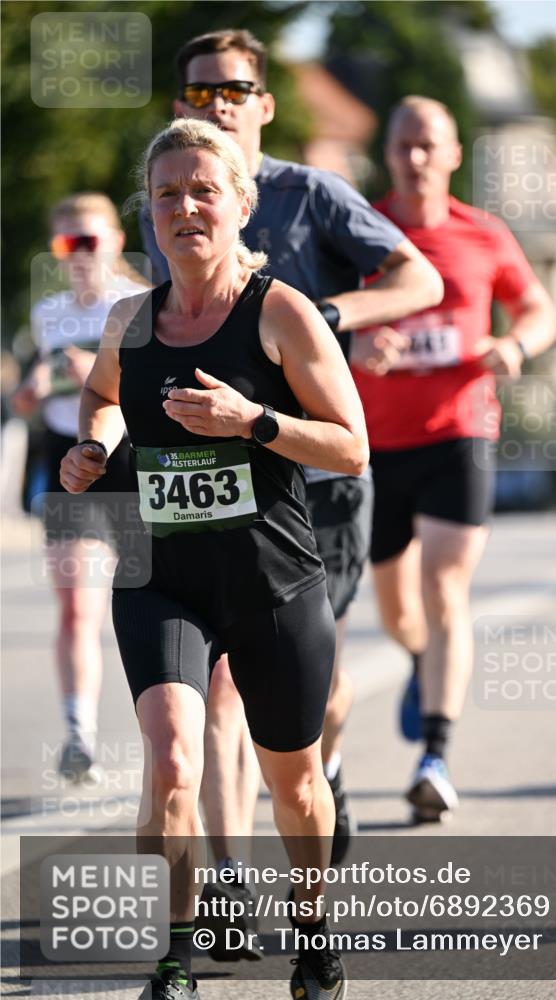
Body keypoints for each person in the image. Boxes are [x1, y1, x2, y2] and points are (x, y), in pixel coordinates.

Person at [61, 117, 370, 1000]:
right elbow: (100, 395)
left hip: (272, 582)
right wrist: (90, 444)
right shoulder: (130, 318)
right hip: (161, 579)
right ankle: (175, 956)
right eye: (166, 195)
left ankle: (311, 932)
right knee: (170, 761)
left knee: (297, 785)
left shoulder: (278, 311)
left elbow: (352, 448)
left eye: (203, 191)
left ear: (241, 204)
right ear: (148, 215)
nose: (184, 208)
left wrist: (254, 422)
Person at [141, 27, 443, 906]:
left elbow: (418, 280)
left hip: (318, 480)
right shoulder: (168, 190)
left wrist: (326, 318)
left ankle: (326, 770)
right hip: (220, 488)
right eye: (199, 95)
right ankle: (228, 883)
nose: (216, 106)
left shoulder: (310, 193)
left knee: (319, 690)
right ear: (179, 106)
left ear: (264, 105)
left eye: (232, 91)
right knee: (222, 688)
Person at [351, 96, 556, 822]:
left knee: (444, 588)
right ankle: (419, 661)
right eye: (402, 144)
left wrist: (516, 344)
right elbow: (316, 319)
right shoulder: (363, 231)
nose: (414, 158)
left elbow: (538, 309)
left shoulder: (483, 233)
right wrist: (355, 347)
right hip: (374, 447)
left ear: (452, 154)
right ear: (387, 152)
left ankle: (434, 757)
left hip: (459, 432)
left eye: (427, 145)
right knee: (397, 609)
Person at [12, 193, 149, 781]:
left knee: (155, 607)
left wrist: (95, 375)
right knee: (76, 608)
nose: (78, 254)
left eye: (89, 240)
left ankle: (180, 733)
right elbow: (34, 393)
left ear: (115, 242)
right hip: (74, 469)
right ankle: (79, 735)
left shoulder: (140, 305)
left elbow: (152, 394)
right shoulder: (47, 314)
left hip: (137, 468)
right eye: (66, 244)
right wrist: (26, 397)